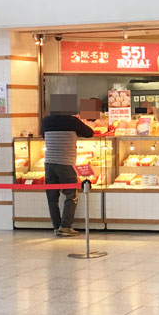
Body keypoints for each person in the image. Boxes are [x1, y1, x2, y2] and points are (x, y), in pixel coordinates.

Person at [42, 94, 94, 236]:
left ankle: (56, 226)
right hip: (66, 163)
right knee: (71, 195)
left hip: (49, 163)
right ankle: (65, 227)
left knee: (52, 197)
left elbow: (43, 136)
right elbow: (89, 133)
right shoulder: (72, 121)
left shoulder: (45, 121)